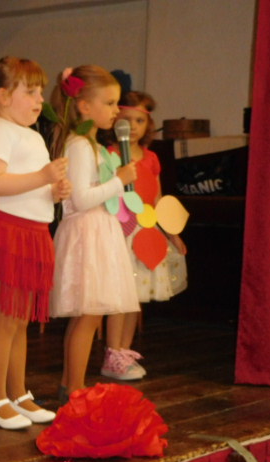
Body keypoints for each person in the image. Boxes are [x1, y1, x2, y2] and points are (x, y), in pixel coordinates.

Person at [0, 56, 71, 429]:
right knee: (5, 322)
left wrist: (53, 191)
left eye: (40, 92)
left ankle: (17, 393)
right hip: (9, 233)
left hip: (33, 233)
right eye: (30, 92)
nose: (39, 99)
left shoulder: (32, 135)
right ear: (2, 97)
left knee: (20, 322)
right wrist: (43, 176)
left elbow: (29, 186)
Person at [48, 65, 140, 401]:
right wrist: (119, 180)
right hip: (87, 233)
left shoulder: (93, 145)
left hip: (99, 231)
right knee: (87, 318)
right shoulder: (79, 146)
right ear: (85, 106)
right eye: (110, 102)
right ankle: (74, 388)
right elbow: (82, 199)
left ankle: (71, 385)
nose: (117, 110)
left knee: (90, 317)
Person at [108, 91, 187, 375]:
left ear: (148, 125)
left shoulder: (152, 158)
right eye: (126, 120)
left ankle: (125, 351)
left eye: (139, 120)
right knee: (120, 297)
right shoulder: (111, 155)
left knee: (136, 296)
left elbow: (157, 198)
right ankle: (112, 354)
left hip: (146, 229)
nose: (132, 126)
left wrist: (171, 233)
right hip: (122, 229)